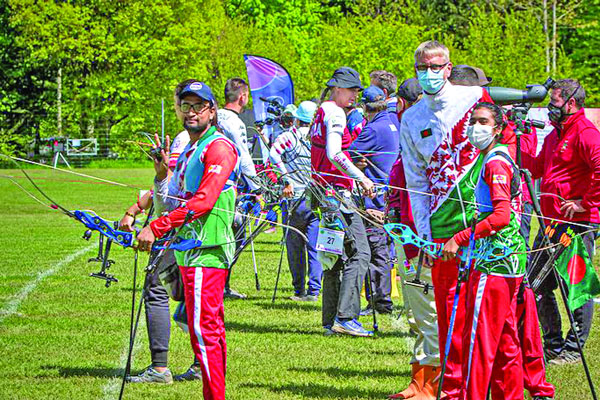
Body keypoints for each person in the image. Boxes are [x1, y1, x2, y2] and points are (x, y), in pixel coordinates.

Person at [399, 40, 495, 400]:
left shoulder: (475, 99)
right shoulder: (411, 118)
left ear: (449, 67)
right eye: (423, 68)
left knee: (486, 310)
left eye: (436, 66)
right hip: (441, 226)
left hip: (486, 220)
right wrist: (424, 237)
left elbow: (503, 149)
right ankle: (451, 387)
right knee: (448, 314)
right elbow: (415, 181)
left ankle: (491, 385)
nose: (430, 73)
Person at [137, 81, 239, 400]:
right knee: (206, 331)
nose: (192, 112)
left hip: (207, 252)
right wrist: (161, 173)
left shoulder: (218, 146)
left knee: (203, 331)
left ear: (212, 110)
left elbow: (204, 201)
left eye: (199, 106)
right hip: (189, 251)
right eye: (186, 106)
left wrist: (157, 227)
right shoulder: (191, 149)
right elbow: (174, 200)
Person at [442, 101, 526, 400]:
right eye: (472, 121)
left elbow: (502, 216)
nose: (475, 128)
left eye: (483, 122)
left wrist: (460, 237)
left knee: (478, 344)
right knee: (506, 343)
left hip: (494, 264)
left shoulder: (494, 162)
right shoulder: (491, 157)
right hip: (509, 262)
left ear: (499, 128)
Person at [119, 78, 199, 385]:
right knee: (192, 296)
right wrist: (139, 206)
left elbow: (173, 199)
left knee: (161, 287)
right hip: (199, 229)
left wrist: (152, 218)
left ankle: (161, 367)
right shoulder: (204, 139)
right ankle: (199, 363)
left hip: (187, 230)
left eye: (192, 105)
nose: (186, 110)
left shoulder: (187, 141)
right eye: (183, 104)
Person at [526, 79, 600, 366]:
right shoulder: (556, 134)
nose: (549, 108)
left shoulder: (586, 133)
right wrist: (516, 139)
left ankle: (574, 348)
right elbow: (536, 166)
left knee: (576, 286)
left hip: (576, 224)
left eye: (554, 102)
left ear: (570, 103)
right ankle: (552, 342)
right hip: (551, 222)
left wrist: (585, 202)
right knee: (535, 282)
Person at [387, 78, 442, 400]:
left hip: (422, 243)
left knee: (430, 314)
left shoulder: (428, 144)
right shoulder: (410, 144)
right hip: (405, 240)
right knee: (416, 315)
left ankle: (433, 385)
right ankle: (418, 381)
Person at [311, 66, 374, 337]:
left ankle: (330, 321)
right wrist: (361, 176)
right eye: (350, 89)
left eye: (357, 90)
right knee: (360, 253)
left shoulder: (321, 111)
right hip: (337, 195)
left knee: (333, 258)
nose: (354, 95)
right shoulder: (335, 113)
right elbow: (335, 153)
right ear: (336, 88)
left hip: (324, 193)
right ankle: (346, 317)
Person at [348, 85, 399, 315]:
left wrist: (359, 163)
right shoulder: (394, 122)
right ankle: (383, 298)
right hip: (392, 196)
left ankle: (379, 301)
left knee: (376, 249)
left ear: (366, 108)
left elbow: (349, 155)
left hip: (375, 199)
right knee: (386, 249)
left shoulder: (373, 129)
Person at [269, 100, 322, 301]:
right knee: (314, 245)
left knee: (294, 246)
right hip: (315, 197)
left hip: (293, 199)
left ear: (296, 118)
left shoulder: (288, 136)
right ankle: (315, 290)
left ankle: (299, 290)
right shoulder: (319, 137)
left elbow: (274, 155)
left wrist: (286, 178)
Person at [217, 77, 260, 300]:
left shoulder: (214, 115)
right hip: (228, 187)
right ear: (242, 96)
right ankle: (220, 285)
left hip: (210, 184)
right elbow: (244, 156)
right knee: (233, 236)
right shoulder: (235, 122)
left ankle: (220, 284)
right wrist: (258, 188)